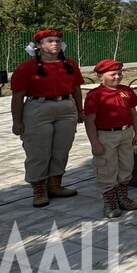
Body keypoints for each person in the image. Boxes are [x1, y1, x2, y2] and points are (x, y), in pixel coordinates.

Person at [10, 29, 85, 207]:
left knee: (61, 148)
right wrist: (17, 121)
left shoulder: (70, 64)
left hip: (66, 108)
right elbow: (18, 97)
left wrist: (79, 111)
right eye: (50, 41)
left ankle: (55, 184)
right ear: (38, 45)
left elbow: (76, 89)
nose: (55, 44)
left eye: (58, 41)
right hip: (38, 108)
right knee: (38, 151)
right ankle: (39, 189)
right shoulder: (26, 68)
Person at [83, 59, 137, 218]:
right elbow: (90, 121)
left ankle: (122, 196)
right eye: (113, 74)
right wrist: (95, 143)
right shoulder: (95, 95)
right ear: (100, 76)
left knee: (126, 164)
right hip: (106, 135)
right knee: (107, 167)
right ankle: (110, 201)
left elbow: (133, 114)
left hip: (126, 133)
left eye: (119, 73)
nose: (117, 77)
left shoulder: (127, 91)